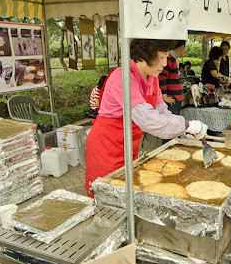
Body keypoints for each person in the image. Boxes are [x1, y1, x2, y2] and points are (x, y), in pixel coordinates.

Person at [84, 39, 208, 196]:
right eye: (162, 57)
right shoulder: (123, 78)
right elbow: (148, 120)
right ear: (145, 56)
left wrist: (183, 129)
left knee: (127, 192)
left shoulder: (152, 78)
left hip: (128, 146)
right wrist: (187, 125)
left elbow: (162, 111)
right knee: (107, 196)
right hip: (106, 148)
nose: (165, 63)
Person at [159, 40, 185, 116]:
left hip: (174, 98)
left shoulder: (172, 59)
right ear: (182, 47)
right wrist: (164, 96)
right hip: (172, 99)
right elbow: (162, 77)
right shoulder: (169, 59)